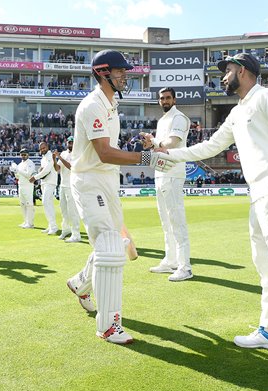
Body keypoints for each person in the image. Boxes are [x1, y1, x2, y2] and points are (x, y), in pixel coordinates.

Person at [156, 53, 268, 373]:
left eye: (227, 71)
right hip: (256, 197)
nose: (223, 77)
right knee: (265, 268)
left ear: (242, 71)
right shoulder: (237, 111)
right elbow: (210, 147)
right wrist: (170, 154)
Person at [65, 49, 174, 344]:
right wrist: (146, 159)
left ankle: (80, 283)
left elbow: (108, 155)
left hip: (108, 180)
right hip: (89, 180)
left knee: (110, 244)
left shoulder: (111, 104)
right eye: (120, 71)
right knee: (110, 247)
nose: (126, 76)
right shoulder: (92, 106)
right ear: (103, 72)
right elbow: (103, 152)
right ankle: (108, 326)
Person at [140, 87, 192, 281]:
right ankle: (170, 261)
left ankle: (185, 267)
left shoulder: (179, 118)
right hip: (160, 172)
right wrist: (150, 144)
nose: (164, 101)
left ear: (175, 99)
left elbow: (172, 142)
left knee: (177, 220)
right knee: (166, 221)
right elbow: (159, 146)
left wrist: (154, 141)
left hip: (173, 173)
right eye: (162, 98)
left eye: (168, 98)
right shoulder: (163, 120)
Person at [53, 137, 81, 243]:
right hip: (63, 185)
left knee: (72, 211)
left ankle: (76, 234)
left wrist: (59, 156)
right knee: (63, 210)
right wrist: (54, 159)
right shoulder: (64, 153)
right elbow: (57, 169)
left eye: (73, 142)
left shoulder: (78, 154)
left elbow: (70, 166)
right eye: (69, 142)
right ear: (67, 143)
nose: (71, 144)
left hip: (72, 185)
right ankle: (65, 230)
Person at [29, 142, 58, 235]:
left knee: (45, 202)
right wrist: (38, 172)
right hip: (44, 182)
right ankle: (51, 226)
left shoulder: (50, 156)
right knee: (48, 204)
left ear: (47, 147)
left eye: (44, 148)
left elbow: (47, 170)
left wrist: (35, 177)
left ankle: (53, 227)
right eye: (41, 149)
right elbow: (42, 169)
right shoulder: (43, 158)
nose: (42, 150)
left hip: (51, 182)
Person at [10, 148, 36, 228]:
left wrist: (17, 169)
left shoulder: (30, 163)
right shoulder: (20, 164)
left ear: (28, 155)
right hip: (21, 185)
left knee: (29, 204)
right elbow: (18, 176)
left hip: (28, 185)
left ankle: (30, 223)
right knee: (22, 204)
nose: (23, 156)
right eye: (22, 154)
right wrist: (14, 172)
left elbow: (28, 174)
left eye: (25, 154)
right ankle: (25, 221)